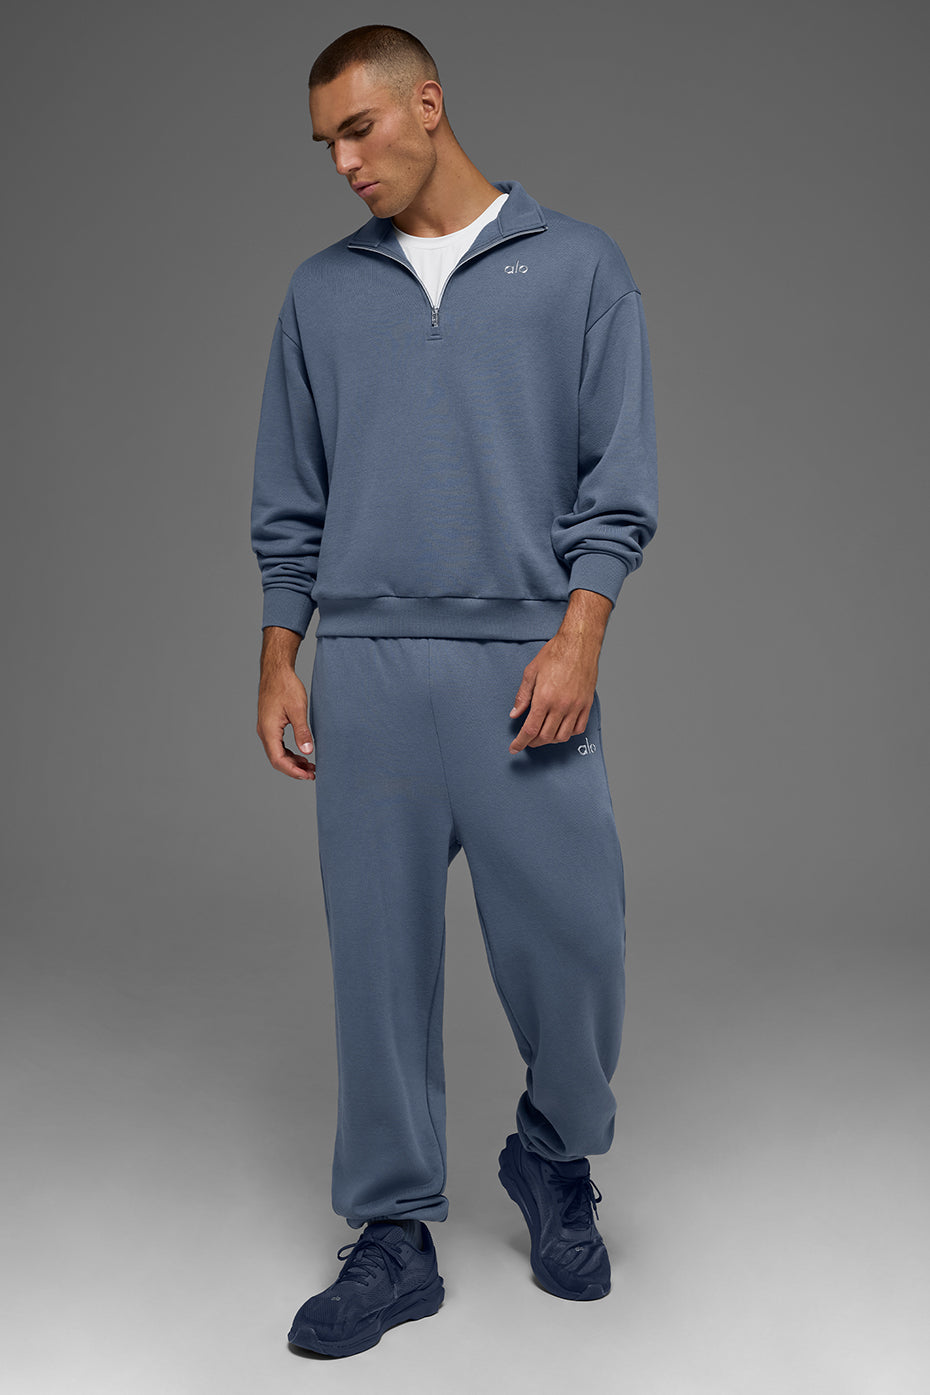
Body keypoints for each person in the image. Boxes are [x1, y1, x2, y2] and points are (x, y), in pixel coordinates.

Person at [250, 23, 658, 1359]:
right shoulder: (320, 294)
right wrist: (281, 655)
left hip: (524, 663)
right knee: (377, 965)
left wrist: (581, 634)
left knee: (578, 946)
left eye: (359, 129)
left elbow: (616, 480)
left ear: (426, 103)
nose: (343, 162)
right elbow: (291, 496)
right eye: (327, 143)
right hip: (366, 668)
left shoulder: (578, 266)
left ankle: (552, 1151)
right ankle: (391, 1234)